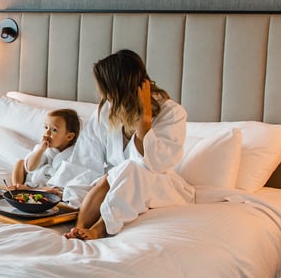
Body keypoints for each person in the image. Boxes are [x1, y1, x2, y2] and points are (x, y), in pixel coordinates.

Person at [59, 49, 194, 239]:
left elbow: (154, 164)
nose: (105, 96)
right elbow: (86, 157)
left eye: (107, 89)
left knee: (129, 170)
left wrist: (145, 121)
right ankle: (78, 226)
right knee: (106, 177)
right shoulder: (108, 109)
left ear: (120, 86)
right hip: (116, 180)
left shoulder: (172, 113)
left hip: (159, 185)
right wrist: (59, 191)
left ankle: (98, 229)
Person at [12, 108, 81, 188]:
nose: (47, 133)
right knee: (20, 163)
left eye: (54, 130)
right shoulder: (42, 149)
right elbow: (30, 168)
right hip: (32, 180)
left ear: (69, 136)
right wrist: (40, 150)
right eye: (46, 127)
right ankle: (16, 186)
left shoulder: (73, 155)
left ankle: (29, 190)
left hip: (49, 188)